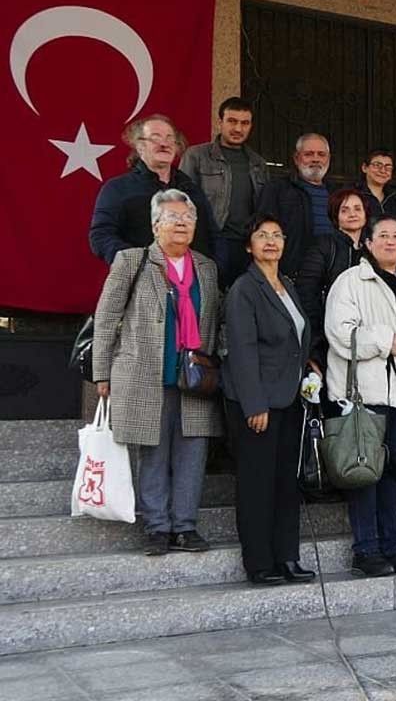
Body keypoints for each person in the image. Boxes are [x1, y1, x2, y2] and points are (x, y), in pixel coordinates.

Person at [92, 189, 221, 556]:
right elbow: (107, 318)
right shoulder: (132, 261)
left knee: (192, 453)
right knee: (152, 451)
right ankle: (157, 526)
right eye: (173, 217)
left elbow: (217, 319)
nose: (181, 223)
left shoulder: (206, 267)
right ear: (154, 224)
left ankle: (185, 526)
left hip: (195, 377)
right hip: (144, 373)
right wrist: (103, 372)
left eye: (188, 218)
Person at [324, 216, 396, 577]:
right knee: (365, 471)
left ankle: (392, 545)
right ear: (366, 243)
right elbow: (339, 333)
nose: (390, 241)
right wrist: (385, 342)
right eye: (382, 235)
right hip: (366, 391)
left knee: (390, 474)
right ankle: (365, 550)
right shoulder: (352, 281)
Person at [222, 213, 315, 584]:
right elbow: (242, 350)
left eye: (277, 235)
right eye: (262, 235)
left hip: (289, 397)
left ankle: (287, 557)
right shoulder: (245, 288)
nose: (271, 241)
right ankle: (259, 562)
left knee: (285, 484)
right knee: (257, 484)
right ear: (250, 245)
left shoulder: (287, 286)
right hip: (257, 402)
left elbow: (297, 336)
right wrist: (254, 403)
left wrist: (309, 366)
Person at [90, 114, 217, 266]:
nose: (164, 143)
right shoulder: (117, 188)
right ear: (139, 147)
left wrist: (215, 268)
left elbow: (214, 234)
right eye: (155, 138)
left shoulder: (191, 189)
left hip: (192, 282)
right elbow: (101, 235)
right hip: (140, 282)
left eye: (170, 138)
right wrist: (138, 265)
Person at [179, 97, 268, 286]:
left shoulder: (258, 163)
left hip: (247, 245)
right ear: (220, 122)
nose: (238, 129)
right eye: (232, 121)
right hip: (209, 243)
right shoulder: (197, 156)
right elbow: (181, 202)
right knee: (207, 301)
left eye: (244, 123)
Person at [296, 189, 368, 364]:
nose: (352, 214)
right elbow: (306, 292)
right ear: (335, 216)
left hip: (364, 337)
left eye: (357, 209)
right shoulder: (325, 245)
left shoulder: (371, 250)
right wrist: (318, 339)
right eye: (345, 210)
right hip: (328, 336)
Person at [257, 133, 338, 279]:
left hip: (332, 273)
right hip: (291, 275)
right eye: (308, 154)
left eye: (321, 154)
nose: (316, 159)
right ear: (296, 158)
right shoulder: (277, 189)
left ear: (329, 159)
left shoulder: (338, 194)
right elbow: (262, 232)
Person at [355, 149, 396, 221]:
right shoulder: (353, 194)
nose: (382, 170)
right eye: (377, 165)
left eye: (388, 167)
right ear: (364, 167)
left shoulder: (395, 199)